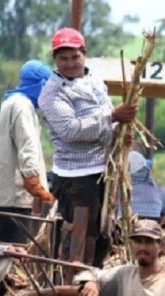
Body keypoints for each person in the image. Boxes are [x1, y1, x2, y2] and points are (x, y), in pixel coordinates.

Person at [38, 27, 138, 266]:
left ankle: (94, 279)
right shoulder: (51, 94)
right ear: (55, 60)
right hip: (76, 177)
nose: (70, 63)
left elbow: (108, 122)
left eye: (75, 57)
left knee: (102, 234)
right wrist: (112, 117)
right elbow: (71, 130)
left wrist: (119, 133)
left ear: (84, 54)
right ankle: (75, 282)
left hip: (103, 171)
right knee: (79, 238)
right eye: (64, 58)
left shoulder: (95, 82)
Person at [0, 59, 55, 293]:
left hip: (2, 194)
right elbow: (27, 145)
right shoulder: (22, 105)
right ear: (41, 84)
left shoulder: (13, 102)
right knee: (7, 253)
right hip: (14, 197)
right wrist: (33, 181)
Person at [128, 151, 165, 223]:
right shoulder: (159, 189)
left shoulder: (117, 191)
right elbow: (164, 209)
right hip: (153, 225)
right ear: (145, 169)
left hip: (125, 224)